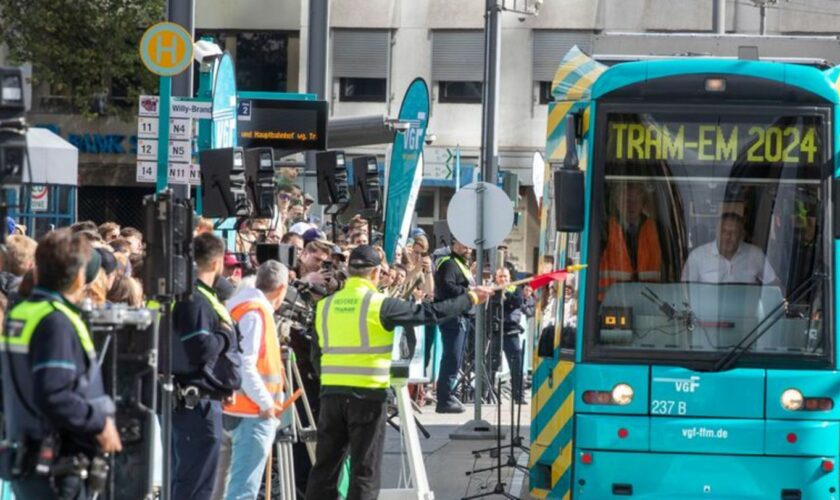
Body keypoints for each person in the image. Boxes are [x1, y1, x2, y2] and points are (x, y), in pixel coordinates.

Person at [305, 245, 492, 500]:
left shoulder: (325, 306)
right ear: (374, 274)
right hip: (367, 395)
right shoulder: (380, 304)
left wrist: (329, 380)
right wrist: (470, 298)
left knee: (325, 468)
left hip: (331, 395)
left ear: (349, 272)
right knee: (364, 469)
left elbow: (316, 354)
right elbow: (431, 313)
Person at [1, 229, 122, 499]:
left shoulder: (21, 313)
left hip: (28, 457)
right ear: (80, 277)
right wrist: (100, 423)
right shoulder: (56, 322)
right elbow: (54, 394)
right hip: (56, 466)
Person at [171, 233, 241, 500]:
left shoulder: (202, 296)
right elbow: (200, 348)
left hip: (205, 400)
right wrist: (224, 335)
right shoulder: (197, 299)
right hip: (196, 405)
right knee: (195, 484)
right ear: (217, 263)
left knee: (198, 481)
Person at [220, 260, 289, 499]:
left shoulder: (242, 308)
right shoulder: (255, 313)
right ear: (280, 288)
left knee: (234, 485)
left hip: (240, 408)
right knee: (243, 489)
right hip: (252, 411)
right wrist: (266, 403)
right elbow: (245, 363)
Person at [433, 237, 475, 413]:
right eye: (464, 244)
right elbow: (446, 287)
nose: (468, 248)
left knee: (456, 358)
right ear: (454, 244)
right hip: (453, 317)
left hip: (460, 316)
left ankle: (448, 394)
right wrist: (468, 292)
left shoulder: (459, 264)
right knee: (451, 357)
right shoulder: (450, 264)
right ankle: (444, 398)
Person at [599, 183, 662, 298]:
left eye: (636, 201)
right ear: (617, 203)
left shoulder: (658, 230)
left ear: (643, 203)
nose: (631, 206)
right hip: (611, 303)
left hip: (650, 302)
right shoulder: (604, 229)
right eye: (626, 201)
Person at [682, 212, 778, 284]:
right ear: (716, 232)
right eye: (724, 232)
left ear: (741, 235)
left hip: (746, 311)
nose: (728, 236)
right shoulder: (697, 256)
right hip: (707, 311)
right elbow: (685, 291)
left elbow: (773, 283)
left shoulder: (755, 254)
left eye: (734, 232)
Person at [489, 267, 525, 403]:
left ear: (509, 277)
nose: (503, 279)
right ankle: (488, 393)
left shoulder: (515, 289)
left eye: (505, 276)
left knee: (516, 364)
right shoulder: (492, 290)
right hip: (495, 332)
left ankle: (518, 395)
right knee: (491, 364)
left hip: (511, 332)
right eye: (500, 276)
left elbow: (517, 302)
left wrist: (506, 295)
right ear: (496, 278)